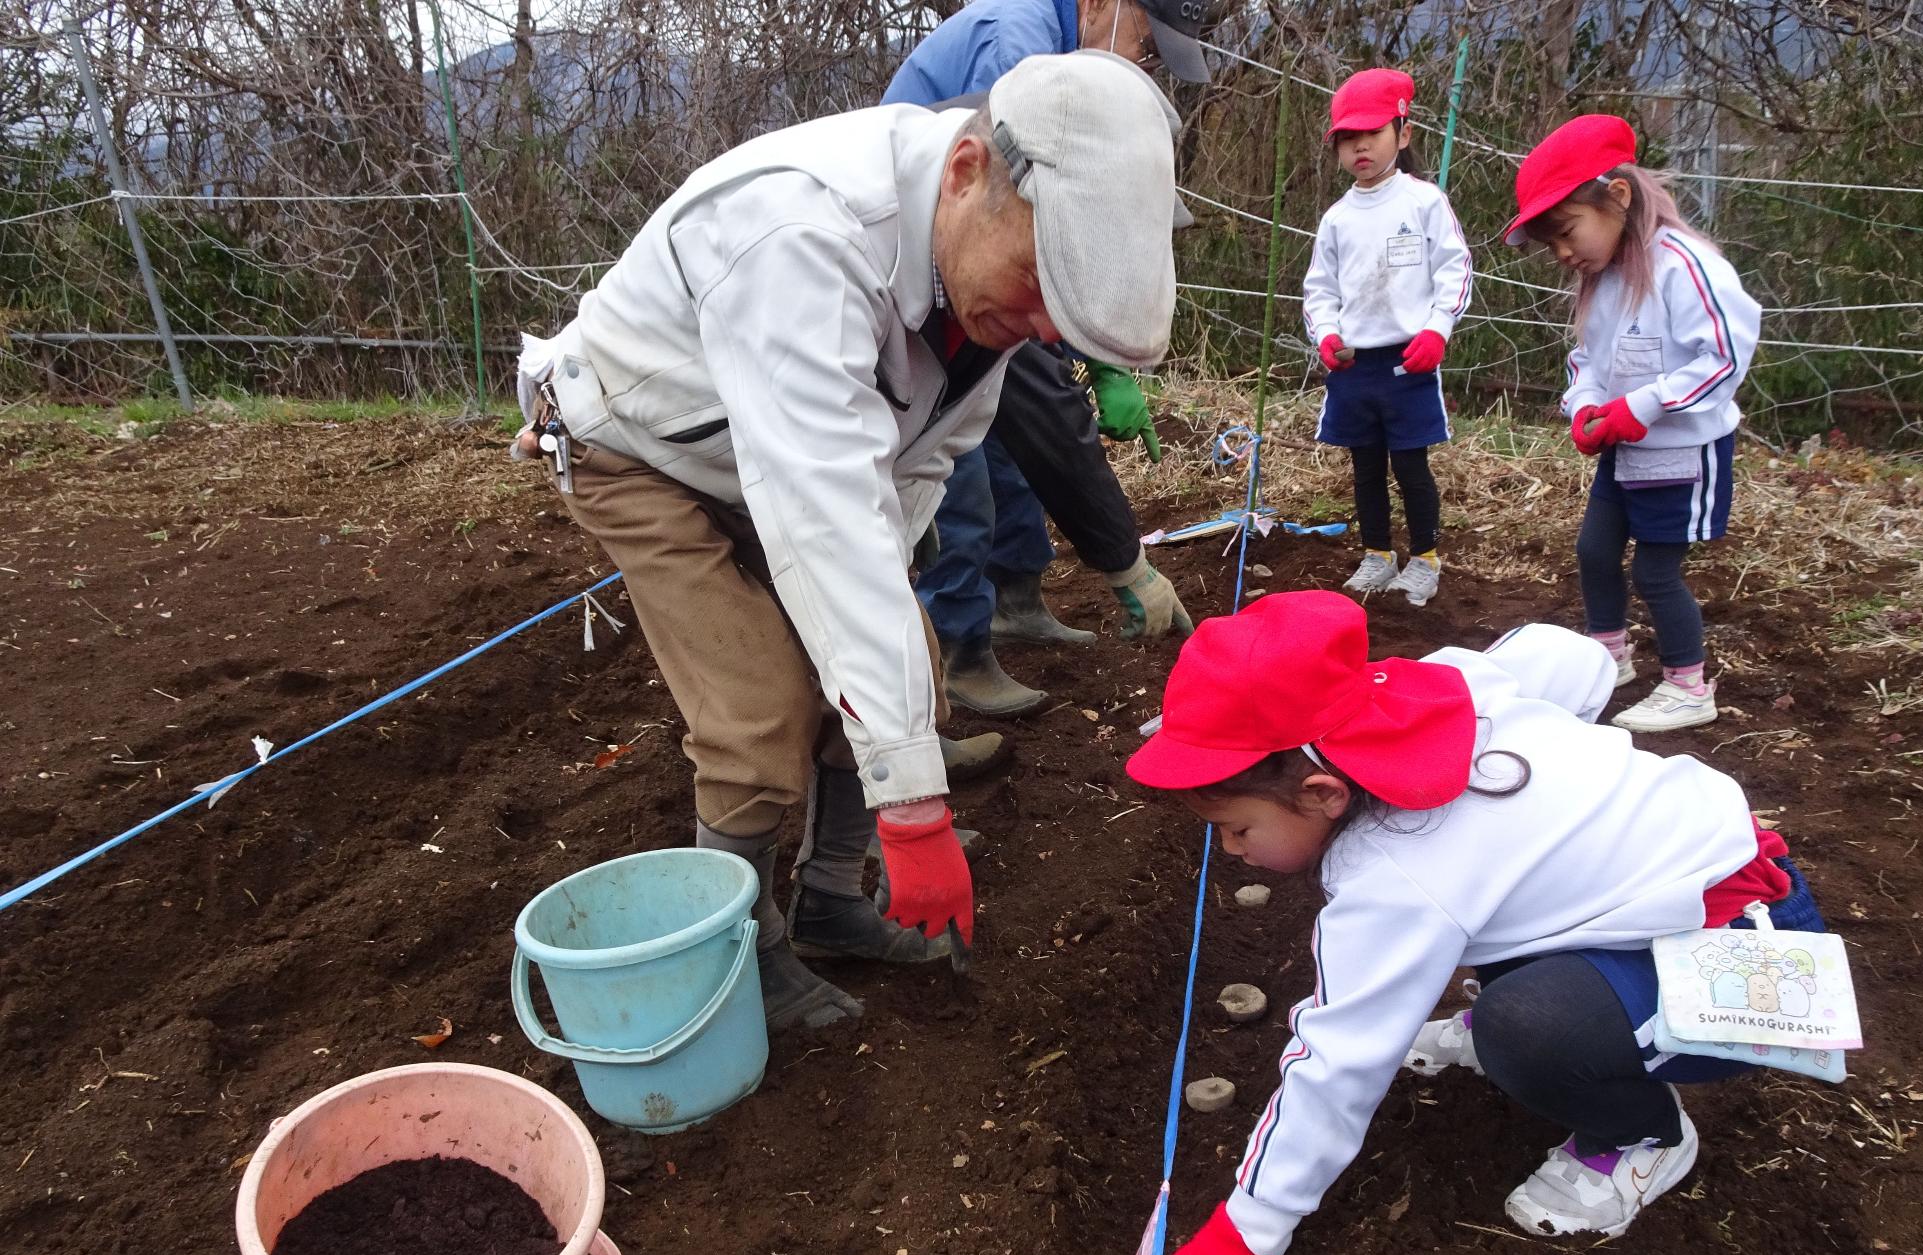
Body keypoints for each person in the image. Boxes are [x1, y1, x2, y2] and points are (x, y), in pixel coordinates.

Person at [512, 53, 1182, 1031]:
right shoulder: (801, 239)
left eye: (1065, 312)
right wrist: (912, 809)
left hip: (763, 452)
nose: (1042, 329)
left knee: (894, 652)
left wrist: (875, 652)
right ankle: (736, 961)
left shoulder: (979, 299)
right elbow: (824, 519)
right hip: (641, 449)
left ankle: (829, 899)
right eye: (1038, 281)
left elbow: (908, 474)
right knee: (754, 708)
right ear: (964, 175)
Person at [1124, 590, 1829, 1255]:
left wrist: (1241, 1242)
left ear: (1322, 793)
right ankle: (1586, 1001)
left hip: (1752, 963)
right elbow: (1577, 658)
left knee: (1524, 1029)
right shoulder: (1446, 685)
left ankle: (1642, 1135)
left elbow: (1338, 1064)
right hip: (1715, 882)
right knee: (1503, 901)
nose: (1230, 850)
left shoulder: (1395, 873)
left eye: (1236, 827)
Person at [882, 0, 1208, 716]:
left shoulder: (1063, 55)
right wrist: (1125, 558)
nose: (1140, 67)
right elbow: (1037, 243)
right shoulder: (1021, 56)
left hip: (984, 275)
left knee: (1011, 456)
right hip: (929, 289)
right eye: (1148, 47)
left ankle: (1016, 601)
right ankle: (958, 653)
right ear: (1101, 4)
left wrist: (1106, 357)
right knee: (958, 475)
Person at [1506, 115, 1762, 733]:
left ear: (1617, 196)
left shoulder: (1682, 265)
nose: (1564, 253)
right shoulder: (1603, 279)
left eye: (1566, 232)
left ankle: (1687, 684)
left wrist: (1641, 408)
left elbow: (1725, 355)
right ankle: (1607, 656)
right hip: (1624, 454)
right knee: (1594, 550)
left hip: (1682, 453)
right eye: (1552, 245)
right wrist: (1585, 407)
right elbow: (1587, 360)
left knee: (1655, 570)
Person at [1303, 68, 1473, 609]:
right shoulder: (1336, 219)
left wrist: (1437, 329)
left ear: (1402, 133)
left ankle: (1423, 558)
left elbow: (1455, 268)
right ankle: (1377, 553)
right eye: (1348, 139)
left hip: (1410, 361)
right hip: (1355, 367)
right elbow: (1319, 290)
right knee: (1365, 466)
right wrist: (1327, 335)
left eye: (1371, 135)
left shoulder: (1423, 201)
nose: (1360, 148)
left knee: (1411, 465)